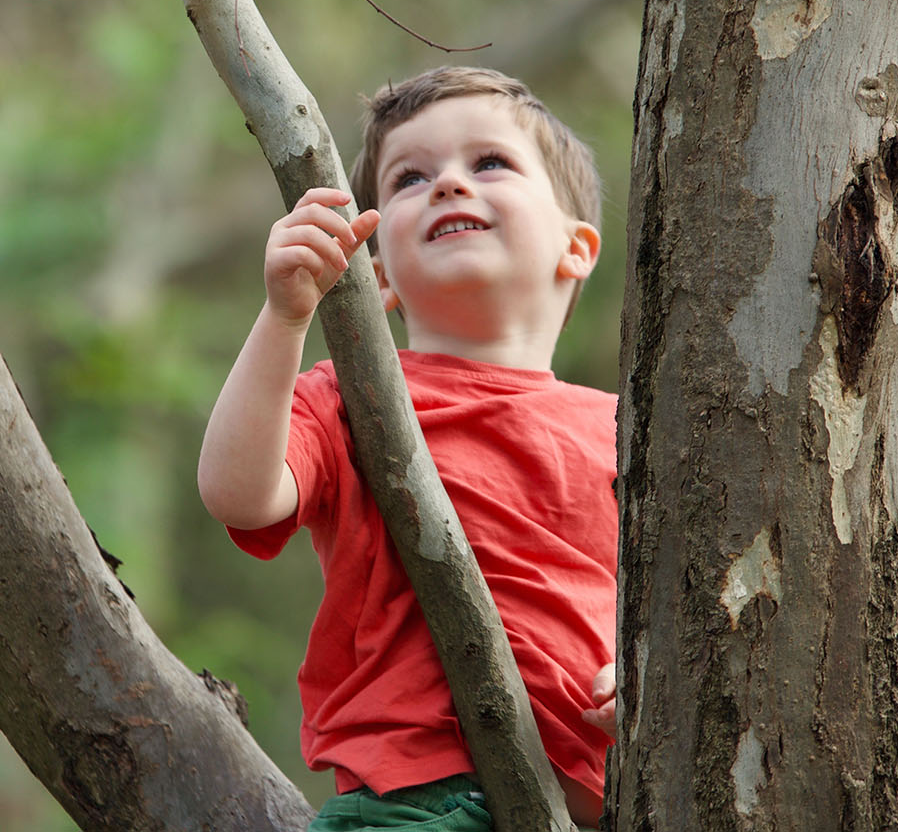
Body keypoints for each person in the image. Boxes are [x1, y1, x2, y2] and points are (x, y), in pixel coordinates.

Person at [197, 66, 618, 830]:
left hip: (606, 801)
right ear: (379, 271)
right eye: (410, 177)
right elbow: (238, 493)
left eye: (489, 162)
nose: (449, 184)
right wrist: (285, 318)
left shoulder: (633, 429)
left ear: (576, 246)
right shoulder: (348, 397)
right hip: (420, 800)